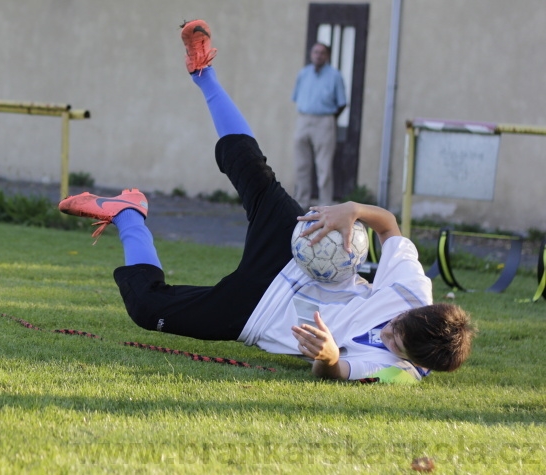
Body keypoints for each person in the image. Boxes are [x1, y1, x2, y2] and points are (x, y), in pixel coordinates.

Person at [58, 20, 474, 383]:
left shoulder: (397, 373)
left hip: (257, 313)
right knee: (250, 166)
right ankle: (203, 71)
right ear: (419, 309)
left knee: (147, 307)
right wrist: (353, 210)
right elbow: (388, 227)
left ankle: (128, 213)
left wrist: (328, 357)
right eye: (397, 326)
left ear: (416, 362)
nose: (389, 333)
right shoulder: (412, 292)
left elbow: (336, 372)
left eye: (395, 343)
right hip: (302, 252)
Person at [291, 42, 346, 207]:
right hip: (303, 119)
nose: (318, 55)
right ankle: (301, 202)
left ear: (327, 56)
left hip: (324, 121)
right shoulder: (303, 74)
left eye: (322, 53)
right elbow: (296, 98)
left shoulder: (335, 75)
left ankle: (325, 205)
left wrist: (330, 118)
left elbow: (342, 103)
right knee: (301, 165)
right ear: (311, 54)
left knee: (324, 166)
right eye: (315, 52)